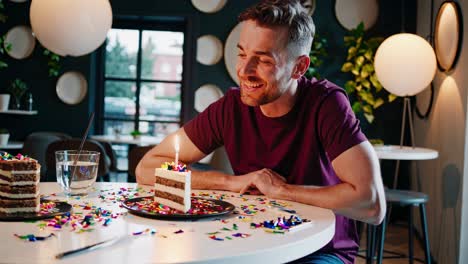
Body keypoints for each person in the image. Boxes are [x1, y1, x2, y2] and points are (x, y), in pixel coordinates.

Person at [136, 0, 386, 263]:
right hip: (251, 243)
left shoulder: (327, 104)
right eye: (242, 54)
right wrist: (231, 182)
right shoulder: (230, 108)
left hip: (318, 250)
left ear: (299, 67)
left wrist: (282, 191)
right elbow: (146, 169)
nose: (244, 70)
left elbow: (372, 205)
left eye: (263, 60)